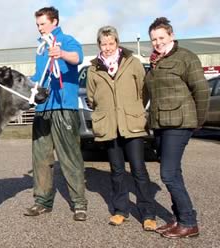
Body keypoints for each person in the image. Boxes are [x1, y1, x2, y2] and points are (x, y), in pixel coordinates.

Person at [86, 26, 157, 231]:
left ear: (117, 43)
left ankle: (148, 213)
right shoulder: (93, 69)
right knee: (116, 170)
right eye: (103, 43)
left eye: (111, 43)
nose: (107, 47)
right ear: (99, 45)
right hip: (109, 125)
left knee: (138, 169)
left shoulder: (132, 62)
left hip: (131, 124)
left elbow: (143, 91)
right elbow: (92, 97)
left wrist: (133, 110)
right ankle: (120, 210)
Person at [145, 17, 210, 238]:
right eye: (154, 39)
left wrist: (198, 121)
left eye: (161, 37)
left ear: (171, 36)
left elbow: (201, 91)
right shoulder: (155, 61)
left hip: (180, 122)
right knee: (174, 172)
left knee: (168, 174)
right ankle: (180, 218)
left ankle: (189, 223)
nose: (157, 42)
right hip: (161, 123)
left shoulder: (186, 57)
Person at [24, 6, 88, 221]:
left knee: (70, 157)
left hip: (63, 107)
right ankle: (42, 201)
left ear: (55, 22)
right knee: (41, 158)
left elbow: (77, 58)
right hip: (43, 109)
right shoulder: (40, 47)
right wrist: (25, 84)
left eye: (42, 24)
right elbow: (39, 75)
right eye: (37, 24)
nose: (39, 28)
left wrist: (61, 53)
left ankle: (79, 204)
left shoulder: (67, 40)